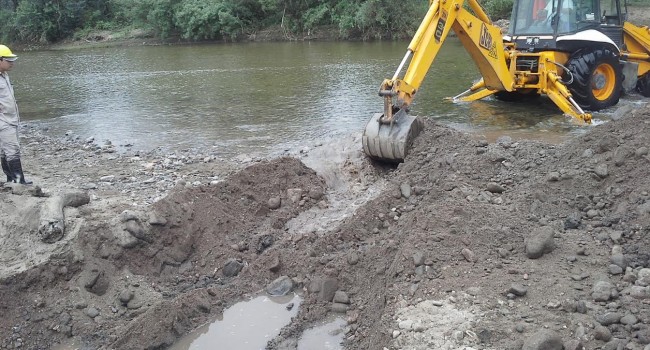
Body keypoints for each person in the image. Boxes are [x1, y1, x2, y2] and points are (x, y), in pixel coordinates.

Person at [0, 44, 31, 185]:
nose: (12, 63)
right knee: (12, 151)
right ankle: (19, 182)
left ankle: (11, 180)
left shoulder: (4, 75)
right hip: (3, 121)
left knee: (5, 151)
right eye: (8, 60)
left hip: (10, 120)